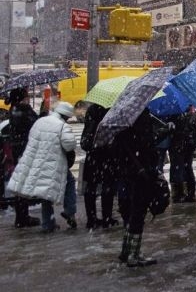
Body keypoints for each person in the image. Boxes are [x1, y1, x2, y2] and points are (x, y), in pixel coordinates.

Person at [7, 102, 76, 233]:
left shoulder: (41, 121)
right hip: (54, 163)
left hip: (38, 161)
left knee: (45, 192)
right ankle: (69, 211)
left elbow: (32, 137)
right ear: (66, 116)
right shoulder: (62, 126)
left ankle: (47, 224)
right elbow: (69, 146)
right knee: (70, 182)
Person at [115, 109, 168, 267]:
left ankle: (126, 250)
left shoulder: (122, 118)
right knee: (138, 212)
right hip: (142, 172)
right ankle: (134, 254)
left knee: (131, 212)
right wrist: (164, 132)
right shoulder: (141, 116)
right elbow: (148, 144)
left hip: (128, 171)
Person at [3, 87, 40, 228]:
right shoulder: (22, 111)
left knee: (21, 183)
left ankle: (22, 216)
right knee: (23, 184)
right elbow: (34, 124)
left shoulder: (14, 109)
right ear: (21, 98)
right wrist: (40, 113)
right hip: (24, 150)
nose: (28, 98)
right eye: (26, 96)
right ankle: (22, 217)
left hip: (18, 150)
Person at [80, 103, 120, 229]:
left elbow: (87, 131)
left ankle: (91, 219)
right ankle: (106, 217)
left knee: (91, 187)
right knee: (107, 185)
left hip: (93, 154)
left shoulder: (92, 109)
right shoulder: (112, 110)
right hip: (107, 153)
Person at [167, 106, 196, 204]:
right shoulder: (192, 113)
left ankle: (178, 194)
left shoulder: (174, 113)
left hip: (177, 145)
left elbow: (171, 130)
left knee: (177, 168)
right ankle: (190, 193)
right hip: (188, 145)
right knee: (187, 168)